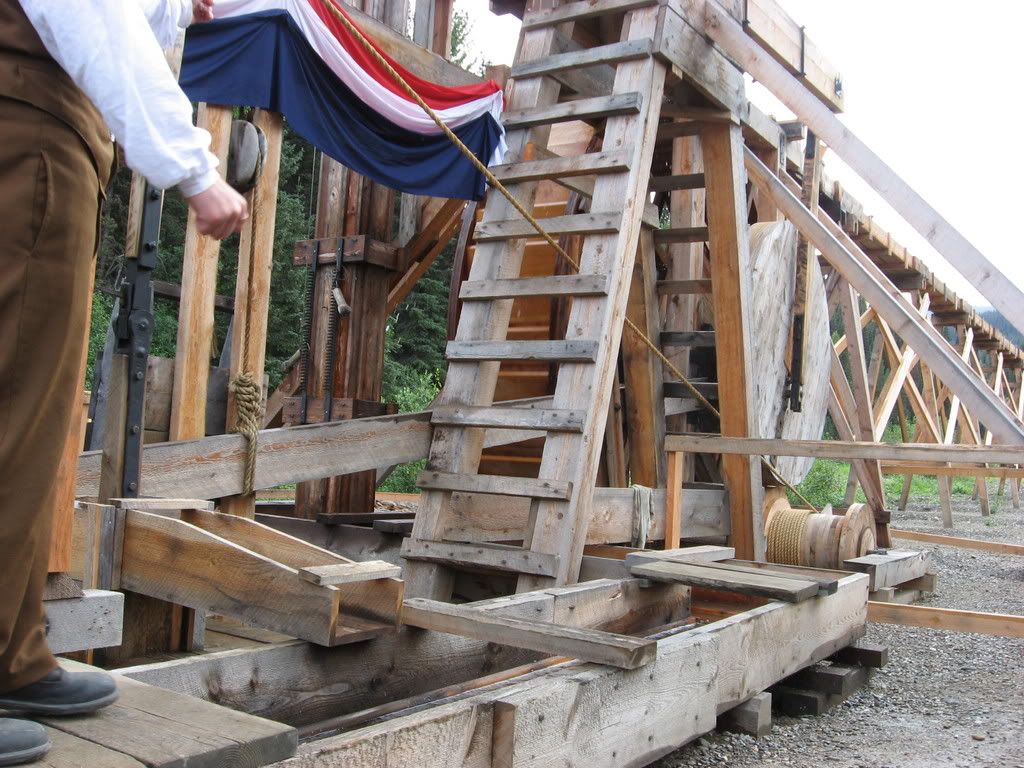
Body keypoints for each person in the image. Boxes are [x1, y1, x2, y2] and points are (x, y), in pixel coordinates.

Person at [0, 1, 246, 763]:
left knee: (36, 419)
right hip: (25, 128)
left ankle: (12, 653)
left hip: (51, 134)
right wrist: (193, 166)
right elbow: (91, 13)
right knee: (12, 406)